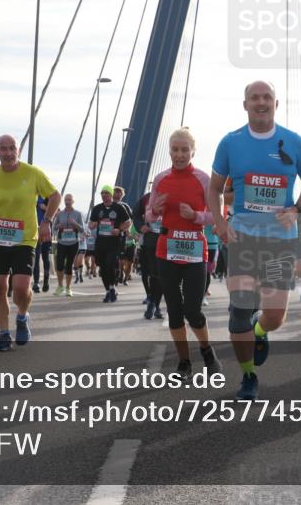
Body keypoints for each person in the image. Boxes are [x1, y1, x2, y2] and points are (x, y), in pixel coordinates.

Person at [208, 80, 301, 401]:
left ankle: (260, 330)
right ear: (245, 105)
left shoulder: (294, 142)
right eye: (254, 97)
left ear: (275, 103)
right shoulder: (230, 143)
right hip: (243, 237)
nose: (261, 102)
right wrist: (219, 222)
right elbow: (214, 188)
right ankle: (248, 377)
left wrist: (297, 208)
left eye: (266, 97)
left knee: (274, 315)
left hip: (278, 243)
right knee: (240, 307)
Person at [147, 128, 222, 376]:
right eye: (175, 150)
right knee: (174, 310)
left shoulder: (203, 180)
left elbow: (216, 216)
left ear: (193, 151)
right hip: (166, 251)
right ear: (169, 151)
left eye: (184, 150)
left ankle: (207, 349)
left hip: (194, 252)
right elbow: (149, 215)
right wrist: (155, 211)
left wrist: (196, 216)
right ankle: (184, 362)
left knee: (193, 309)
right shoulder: (160, 180)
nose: (179, 155)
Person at [0, 134, 61, 351]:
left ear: (19, 150)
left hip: (24, 239)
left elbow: (55, 196)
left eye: (12, 148)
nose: (7, 153)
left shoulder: (33, 173)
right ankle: (4, 334)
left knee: (21, 288)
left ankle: (22, 316)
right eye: (3, 149)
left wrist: (47, 222)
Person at [89, 185, 132, 302]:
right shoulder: (97, 208)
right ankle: (109, 290)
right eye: (102, 193)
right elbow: (91, 224)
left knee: (109, 264)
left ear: (111, 195)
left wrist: (119, 230)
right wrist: (95, 224)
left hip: (114, 242)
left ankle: (112, 288)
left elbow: (128, 222)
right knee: (103, 268)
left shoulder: (118, 208)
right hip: (100, 242)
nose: (104, 195)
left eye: (106, 193)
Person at [133, 189, 164, 319]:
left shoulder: (173, 196)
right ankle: (153, 303)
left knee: (162, 276)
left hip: (168, 241)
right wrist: (141, 226)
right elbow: (135, 215)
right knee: (154, 274)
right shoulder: (146, 198)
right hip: (150, 241)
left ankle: (154, 303)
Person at [52, 194, 84, 298]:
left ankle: (68, 288)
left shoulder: (78, 214)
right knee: (59, 265)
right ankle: (60, 286)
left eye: (69, 200)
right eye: (66, 200)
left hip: (73, 243)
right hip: (61, 242)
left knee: (69, 265)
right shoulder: (59, 214)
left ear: (73, 201)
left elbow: (82, 229)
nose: (67, 201)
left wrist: (75, 223)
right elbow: (53, 229)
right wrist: (58, 226)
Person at [32, 196, 52, 293]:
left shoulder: (47, 196)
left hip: (45, 231)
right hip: (34, 232)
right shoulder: (31, 194)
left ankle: (46, 281)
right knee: (35, 257)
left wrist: (44, 207)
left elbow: (56, 211)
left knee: (45, 258)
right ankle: (36, 282)